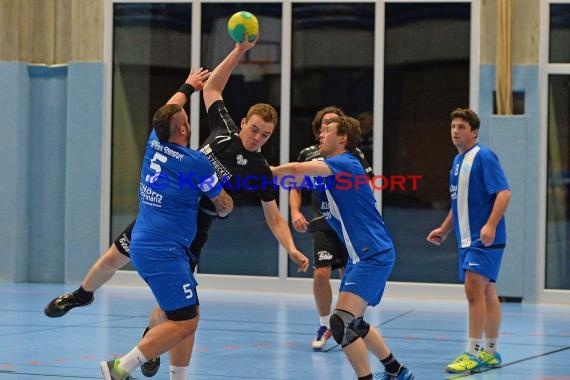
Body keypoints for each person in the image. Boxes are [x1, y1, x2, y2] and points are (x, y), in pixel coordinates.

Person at [46, 34, 309, 377]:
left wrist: (290, 247)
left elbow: (273, 216)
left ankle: (150, 342)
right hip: (163, 212)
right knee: (113, 258)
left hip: (191, 230)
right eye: (255, 129)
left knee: (174, 307)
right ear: (244, 122)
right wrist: (239, 51)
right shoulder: (224, 129)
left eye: (265, 135)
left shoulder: (259, 171)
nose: (257, 137)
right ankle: (82, 295)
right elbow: (213, 88)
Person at [101, 79, 234, 380]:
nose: (187, 120)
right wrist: (226, 198)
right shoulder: (196, 162)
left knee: (189, 314)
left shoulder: (154, 142)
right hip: (164, 252)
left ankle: (178, 377)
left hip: (147, 244)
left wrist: (188, 86)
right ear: (184, 130)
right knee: (184, 321)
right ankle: (120, 368)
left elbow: (170, 107)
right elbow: (223, 205)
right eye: (186, 119)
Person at [272, 116, 414, 380]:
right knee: (354, 323)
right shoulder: (330, 175)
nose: (321, 135)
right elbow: (292, 181)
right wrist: (252, 175)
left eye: (328, 131)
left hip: (374, 255)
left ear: (343, 139)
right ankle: (396, 371)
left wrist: (267, 170)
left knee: (340, 324)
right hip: (361, 257)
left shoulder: (346, 164)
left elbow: (294, 170)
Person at [427, 108, 510, 374]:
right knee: (486, 292)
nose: (455, 131)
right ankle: (490, 351)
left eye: (461, 127)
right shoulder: (457, 161)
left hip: (483, 238)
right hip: (466, 238)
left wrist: (490, 224)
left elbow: (503, 193)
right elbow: (458, 203)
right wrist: (444, 228)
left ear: (473, 131)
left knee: (474, 290)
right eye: (453, 126)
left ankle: (472, 352)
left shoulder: (483, 156)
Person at [290, 106, 373, 350]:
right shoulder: (309, 154)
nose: (328, 128)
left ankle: (348, 320)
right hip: (323, 221)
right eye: (325, 125)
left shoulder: (351, 156)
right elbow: (293, 182)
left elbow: (366, 185)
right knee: (321, 273)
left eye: (333, 124)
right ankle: (325, 324)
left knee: (348, 272)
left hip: (347, 224)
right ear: (318, 130)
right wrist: (295, 211)